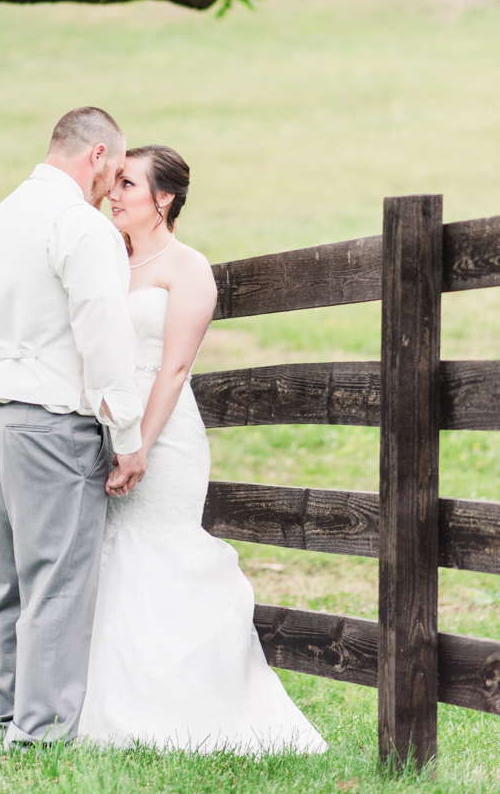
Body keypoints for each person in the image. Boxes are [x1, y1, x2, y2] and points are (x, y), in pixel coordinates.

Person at [78, 145, 327, 755]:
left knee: (156, 548)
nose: (114, 193)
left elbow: (175, 367)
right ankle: (103, 703)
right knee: (110, 556)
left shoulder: (187, 268)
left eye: (127, 184)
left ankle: (183, 708)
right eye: (114, 182)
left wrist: (139, 447)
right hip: (102, 422)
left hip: (162, 435)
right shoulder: (109, 258)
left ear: (163, 198)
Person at [0, 107, 147, 748]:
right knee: (59, 584)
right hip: (52, 427)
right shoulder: (79, 225)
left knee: (8, 580)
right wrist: (126, 438)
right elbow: (103, 336)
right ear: (97, 155)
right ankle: (40, 736)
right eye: (116, 171)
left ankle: (1, 721)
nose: (113, 187)